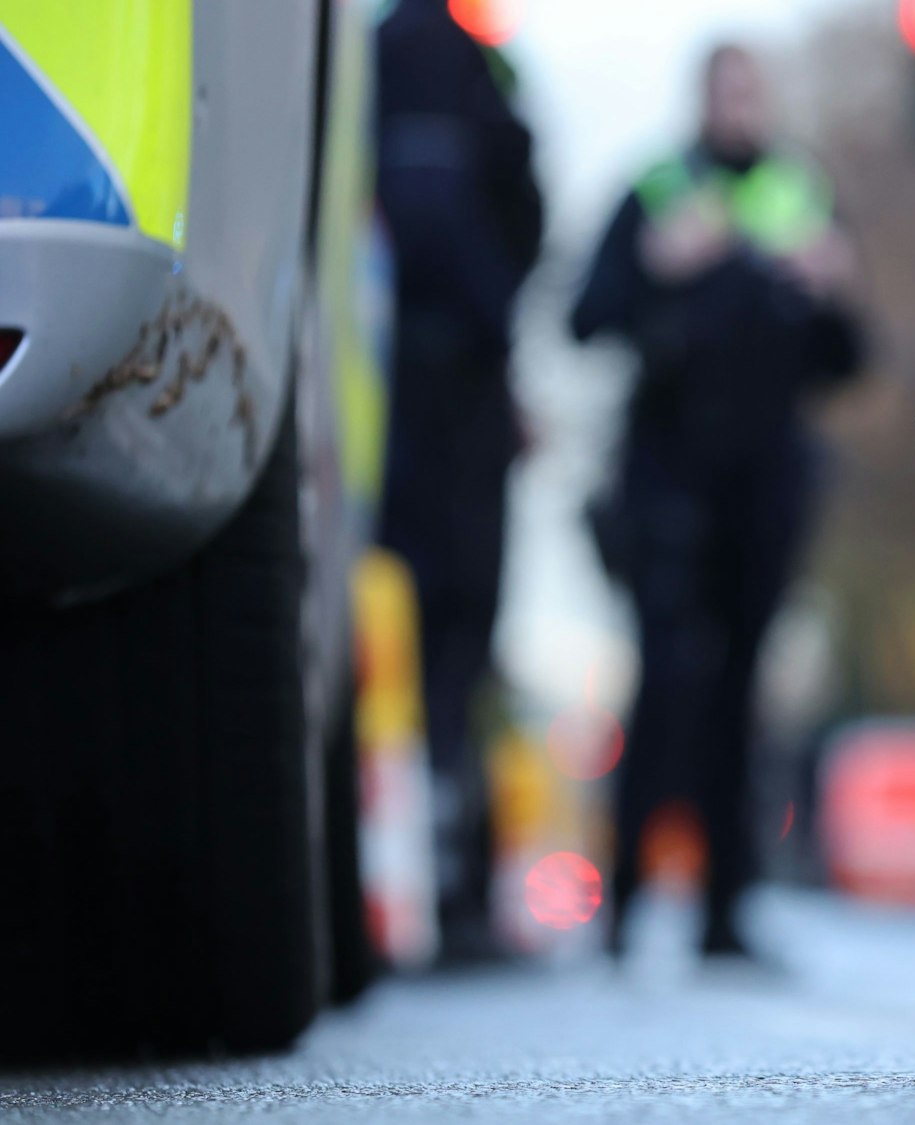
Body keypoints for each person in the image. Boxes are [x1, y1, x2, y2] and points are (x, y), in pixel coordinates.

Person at [570, 43, 864, 960]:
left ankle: (723, 914)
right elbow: (585, 317)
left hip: (764, 484)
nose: (740, 106)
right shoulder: (658, 191)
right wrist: (660, 267)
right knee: (663, 685)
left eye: (752, 90)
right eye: (726, 90)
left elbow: (849, 359)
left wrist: (833, 289)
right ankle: (622, 905)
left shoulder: (800, 200)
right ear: (701, 100)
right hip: (667, 478)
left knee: (741, 692)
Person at [374, 0, 543, 963]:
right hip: (440, 399)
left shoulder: (395, 56)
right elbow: (479, 217)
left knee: (411, 640)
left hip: (401, 389)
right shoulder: (455, 63)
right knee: (452, 640)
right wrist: (495, 326)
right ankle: (450, 889)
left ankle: (418, 878)